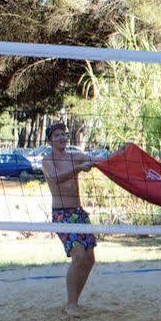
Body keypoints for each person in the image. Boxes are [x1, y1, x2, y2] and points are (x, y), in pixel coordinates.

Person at [43, 122, 101, 310]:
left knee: (90, 259)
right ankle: (71, 304)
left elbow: (94, 158)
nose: (62, 138)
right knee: (78, 256)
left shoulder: (74, 156)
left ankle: (75, 301)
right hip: (62, 214)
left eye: (64, 134)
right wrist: (79, 168)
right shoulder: (47, 160)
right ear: (50, 140)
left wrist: (116, 155)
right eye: (57, 135)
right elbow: (56, 178)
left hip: (78, 212)